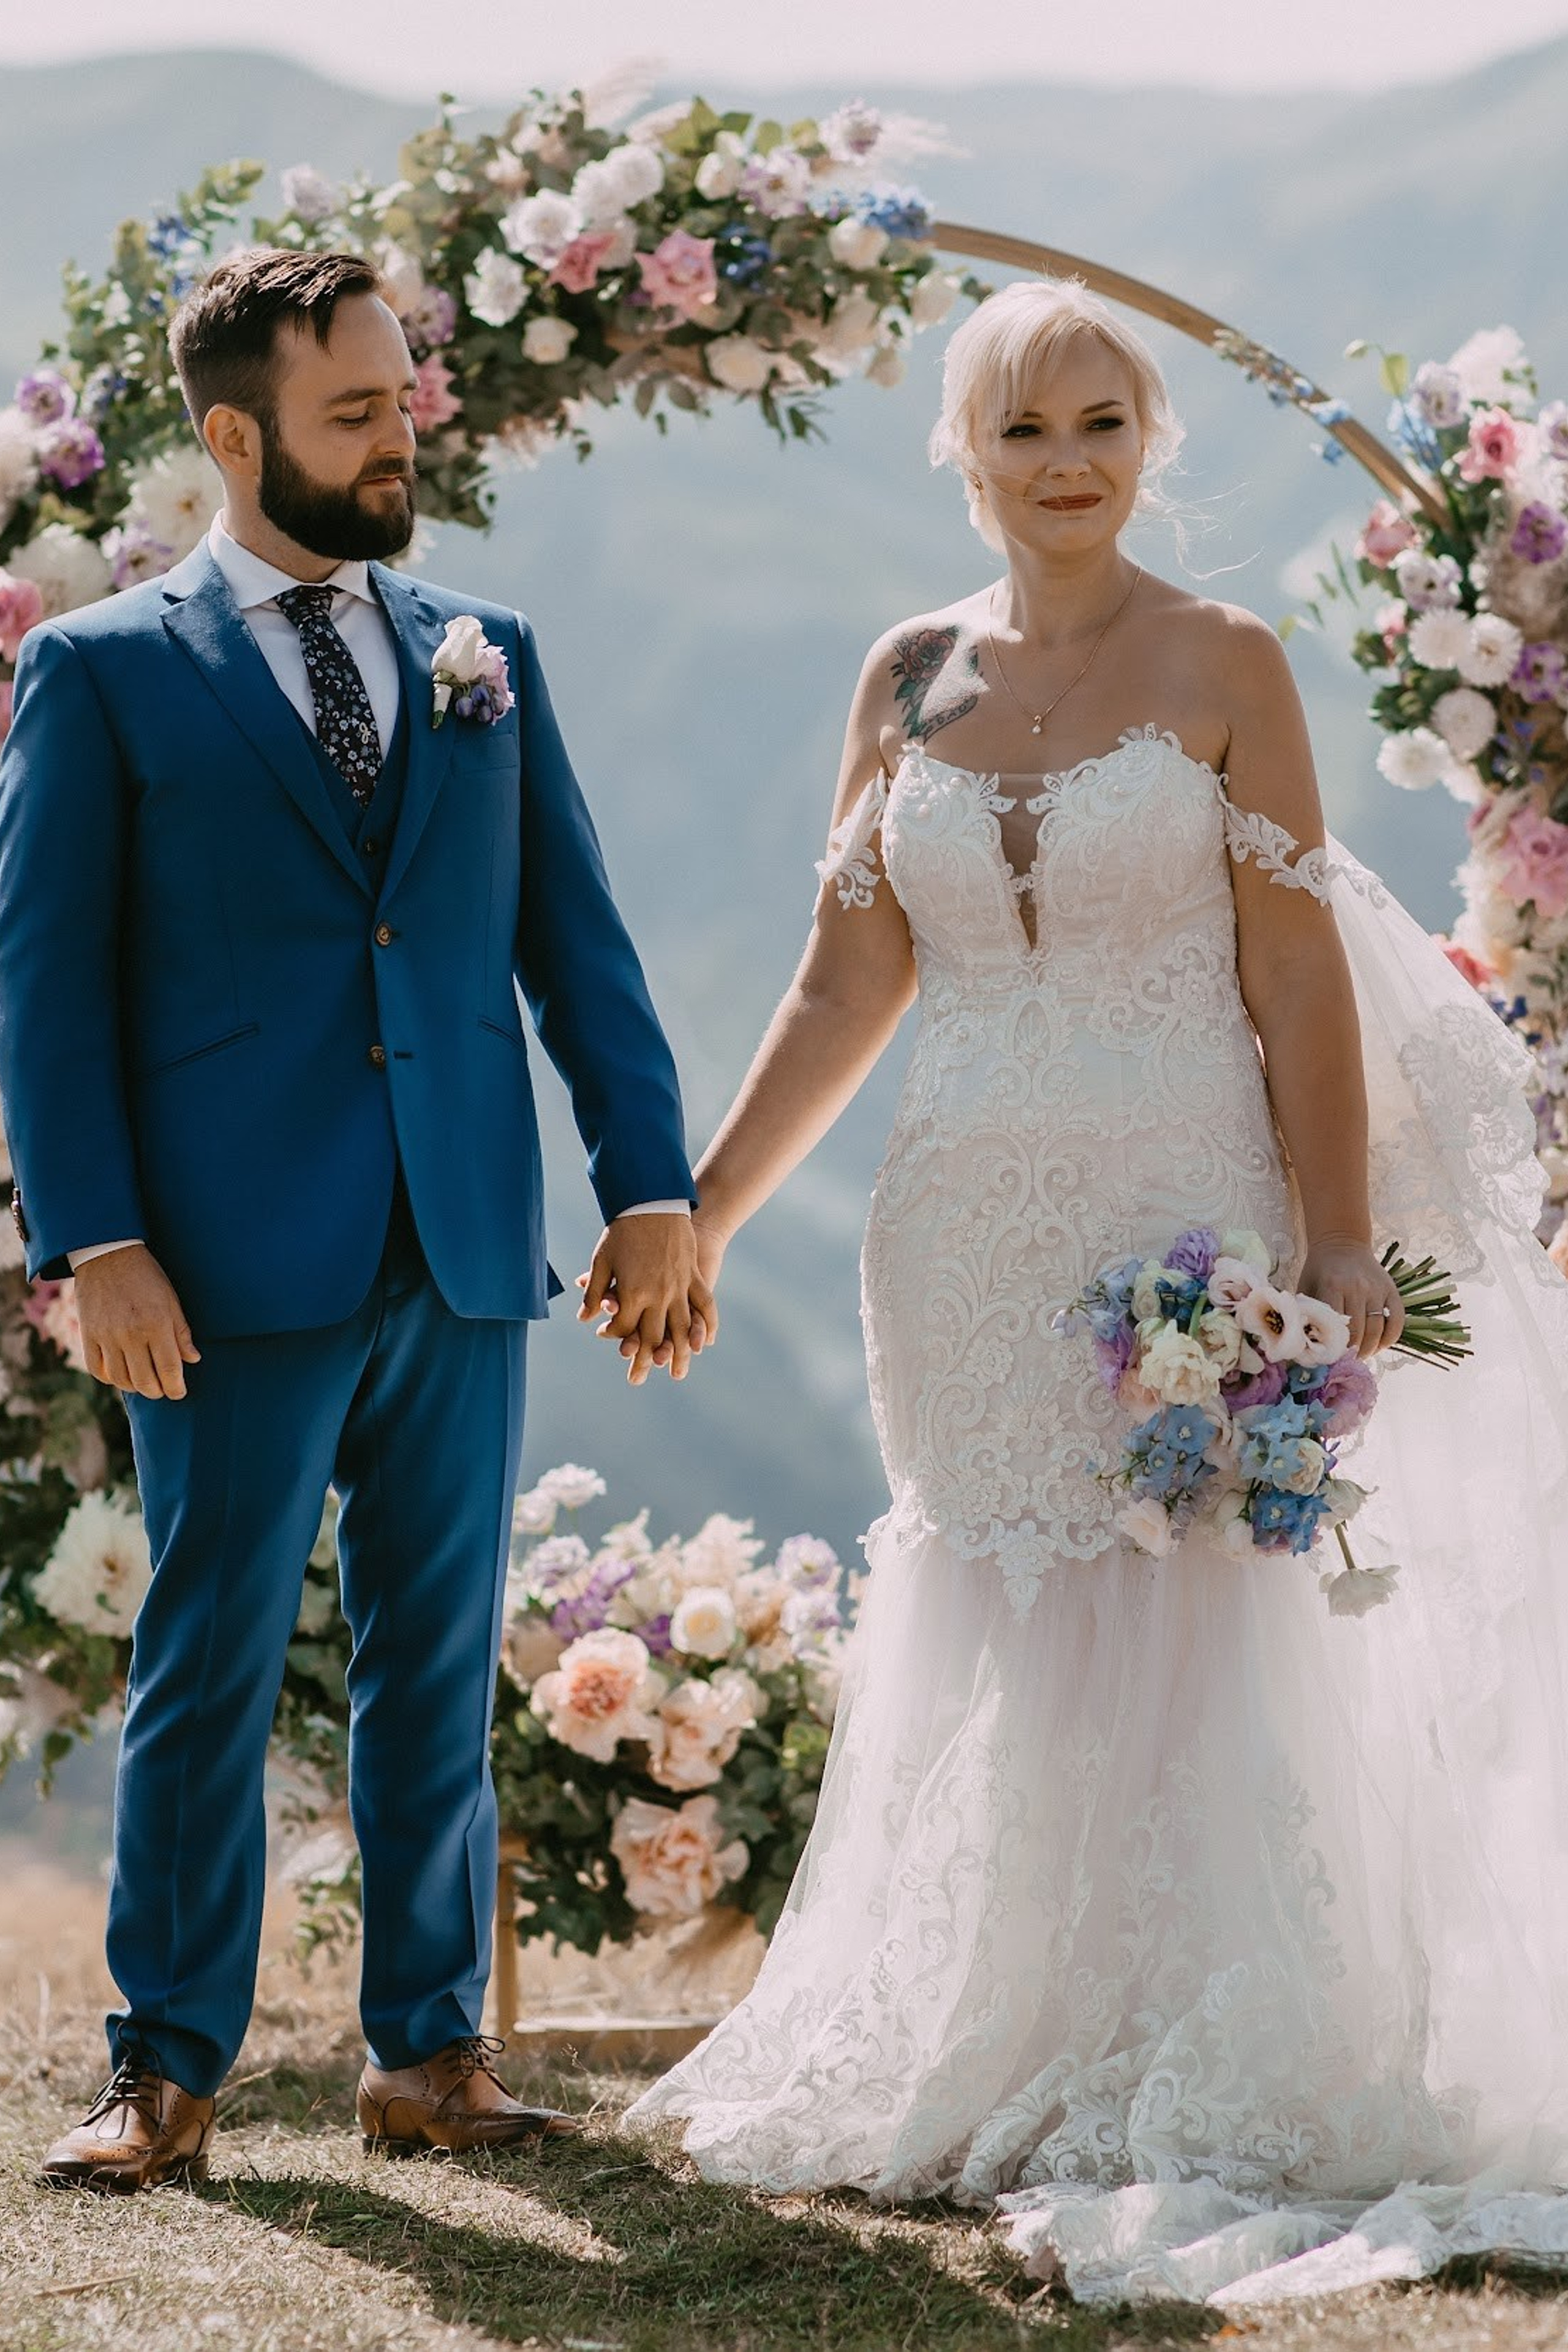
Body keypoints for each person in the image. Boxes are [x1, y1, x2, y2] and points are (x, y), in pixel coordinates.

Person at [624, 279, 1568, 2305]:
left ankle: (1200, 2036)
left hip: (1180, 1212)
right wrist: (703, 1210)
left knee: (1189, 1591)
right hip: (954, 1229)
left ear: (1152, 443)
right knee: (995, 1579)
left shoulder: (1228, 661)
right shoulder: (907, 679)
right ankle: (999, 2030)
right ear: (963, 450)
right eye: (1027, 427)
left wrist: (1332, 1235)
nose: (1068, 462)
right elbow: (843, 983)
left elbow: (1293, 967)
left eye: (1104, 423)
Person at [0, 248, 710, 2192]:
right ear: (236, 438)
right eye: (355, 412)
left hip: (465, 1238)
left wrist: (650, 1186)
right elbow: (44, 989)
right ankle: (164, 2073)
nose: (400, 438)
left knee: (438, 1657)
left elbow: (576, 942)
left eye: (403, 400)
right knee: (209, 1657)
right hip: (221, 1262)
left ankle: (428, 2054)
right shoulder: (102, 669)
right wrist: (97, 1240)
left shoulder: (486, 648)